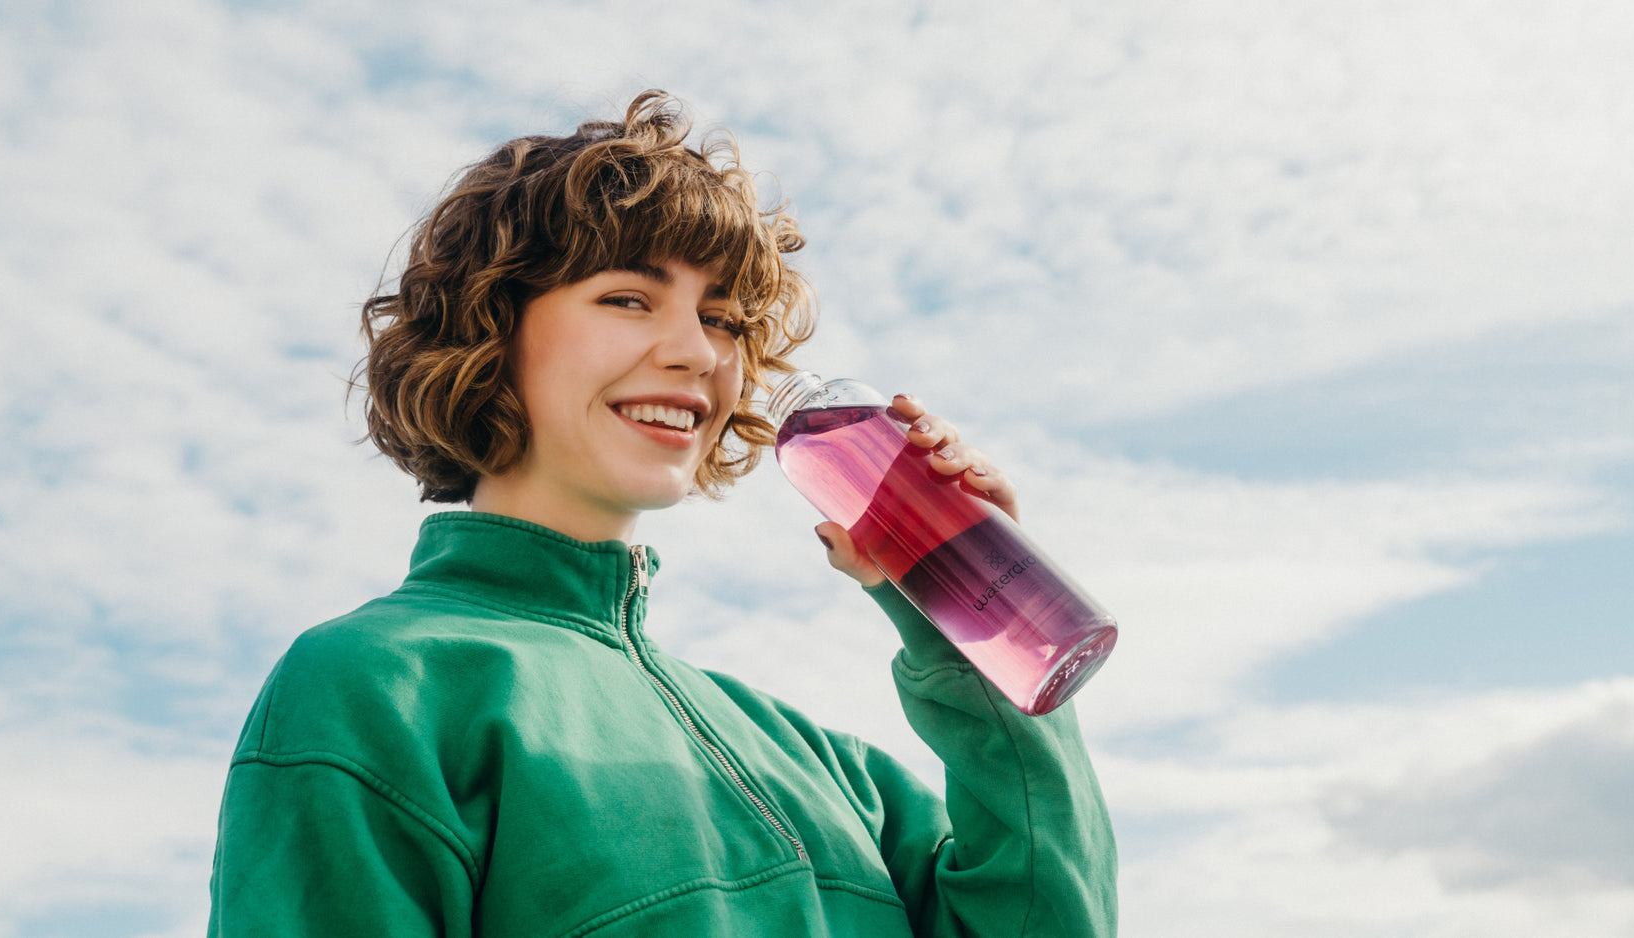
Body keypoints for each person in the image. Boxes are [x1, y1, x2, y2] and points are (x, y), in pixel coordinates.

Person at [208, 90, 1117, 937]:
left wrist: (973, 616)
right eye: (627, 299)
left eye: (720, 319)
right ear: (490, 328)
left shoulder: (822, 766)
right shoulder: (377, 686)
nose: (695, 352)